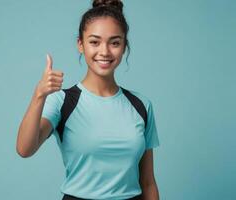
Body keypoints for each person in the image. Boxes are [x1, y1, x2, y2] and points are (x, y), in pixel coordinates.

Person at [16, 0, 160, 199]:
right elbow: (24, 149)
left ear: (124, 46)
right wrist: (38, 95)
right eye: (94, 42)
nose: (105, 52)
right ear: (80, 44)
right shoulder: (62, 101)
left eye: (115, 42)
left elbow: (148, 182)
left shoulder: (141, 105)